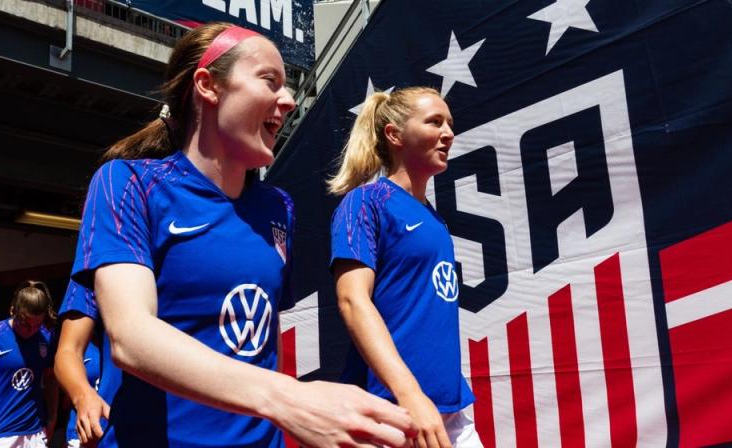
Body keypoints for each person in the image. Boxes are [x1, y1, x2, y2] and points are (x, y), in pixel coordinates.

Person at [71, 22, 417, 448]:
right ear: (208, 86)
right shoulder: (128, 183)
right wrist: (290, 399)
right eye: (269, 80)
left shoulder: (278, 207)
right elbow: (131, 337)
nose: (289, 100)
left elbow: (264, 338)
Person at [327, 87, 482, 448]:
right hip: (391, 414)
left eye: (450, 124)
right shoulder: (365, 202)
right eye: (434, 122)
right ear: (394, 135)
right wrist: (409, 393)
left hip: (450, 411)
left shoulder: (434, 219)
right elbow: (352, 300)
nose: (448, 133)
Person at [0, 281, 59, 448]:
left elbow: (51, 378)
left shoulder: (46, 337)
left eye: (37, 325)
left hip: (35, 433)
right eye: (25, 324)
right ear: (12, 310)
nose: (31, 330)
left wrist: (52, 418)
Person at [54, 281, 111, 448]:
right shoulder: (82, 350)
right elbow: (66, 399)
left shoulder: (106, 350)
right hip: (84, 432)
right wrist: (83, 396)